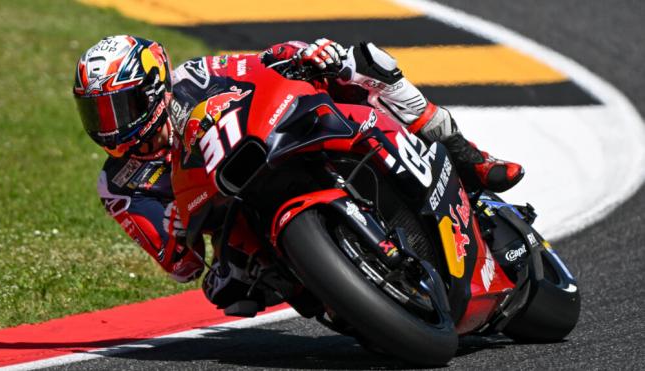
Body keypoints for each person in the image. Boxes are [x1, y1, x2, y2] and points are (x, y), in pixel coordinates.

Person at [73, 35, 523, 306]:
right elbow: (182, 267)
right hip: (233, 218)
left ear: (154, 88)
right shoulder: (118, 184)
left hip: (272, 144)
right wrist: (174, 231)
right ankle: (346, 299)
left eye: (118, 108)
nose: (109, 126)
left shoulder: (195, 77)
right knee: (227, 293)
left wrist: (307, 53)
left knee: (364, 61)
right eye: (96, 114)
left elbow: (261, 63)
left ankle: (470, 158)